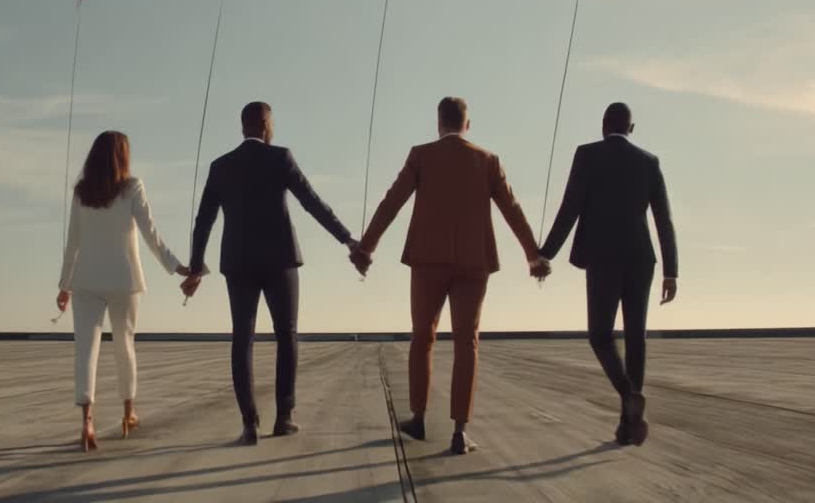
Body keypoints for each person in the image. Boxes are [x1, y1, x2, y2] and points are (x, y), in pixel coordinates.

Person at [351, 97, 550, 455]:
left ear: (438, 123)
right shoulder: (487, 160)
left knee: (422, 338)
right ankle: (460, 432)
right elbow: (512, 208)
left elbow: (391, 201)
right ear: (467, 125)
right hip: (474, 263)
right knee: (467, 342)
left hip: (427, 260)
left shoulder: (421, 156)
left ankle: (419, 418)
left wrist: (366, 248)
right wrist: (533, 255)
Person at [184, 102, 360, 445]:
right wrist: (347, 239)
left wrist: (195, 269)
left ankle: (249, 423)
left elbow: (203, 222)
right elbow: (312, 203)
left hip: (238, 262)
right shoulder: (280, 158)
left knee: (242, 339)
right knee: (287, 336)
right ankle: (284, 417)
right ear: (266, 124)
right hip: (280, 260)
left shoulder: (221, 166)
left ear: (243, 126)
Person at [538, 102, 679, 446]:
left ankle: (629, 395)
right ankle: (629, 424)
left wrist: (544, 255)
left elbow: (570, 207)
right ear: (632, 128)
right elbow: (664, 219)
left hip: (603, 258)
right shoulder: (649, 162)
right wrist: (671, 272)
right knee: (635, 338)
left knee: (600, 335)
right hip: (642, 258)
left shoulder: (586, 155)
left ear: (604, 125)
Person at [56, 131, 191, 452]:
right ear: (123, 156)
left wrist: (64, 286)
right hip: (125, 280)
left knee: (85, 350)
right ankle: (128, 414)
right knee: (124, 345)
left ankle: (87, 420)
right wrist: (177, 268)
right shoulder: (132, 188)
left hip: (86, 281)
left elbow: (73, 244)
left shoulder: (80, 191)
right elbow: (151, 235)